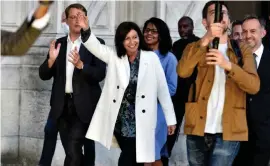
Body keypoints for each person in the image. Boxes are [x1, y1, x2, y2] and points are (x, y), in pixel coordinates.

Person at [77, 14, 177, 165]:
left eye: (135, 37)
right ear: (121, 42)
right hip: (120, 121)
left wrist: (171, 120)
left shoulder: (151, 58)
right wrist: (86, 29)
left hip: (142, 121)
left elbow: (163, 90)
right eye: (127, 38)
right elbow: (96, 48)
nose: (132, 42)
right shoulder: (115, 57)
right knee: (134, 158)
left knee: (127, 160)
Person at [177, 1, 260, 165]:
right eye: (214, 12)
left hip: (228, 130)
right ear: (204, 22)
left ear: (228, 21)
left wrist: (227, 65)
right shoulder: (194, 47)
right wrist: (207, 38)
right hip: (198, 128)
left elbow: (253, 86)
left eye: (224, 12)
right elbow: (183, 71)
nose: (220, 15)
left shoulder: (242, 49)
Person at [39, 3, 106, 166]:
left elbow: (100, 74)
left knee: (82, 146)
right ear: (66, 20)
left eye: (81, 16)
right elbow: (43, 75)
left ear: (86, 20)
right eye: (73, 17)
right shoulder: (58, 45)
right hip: (62, 104)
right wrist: (51, 61)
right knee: (71, 149)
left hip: (84, 104)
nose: (77, 20)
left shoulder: (96, 43)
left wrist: (82, 66)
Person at [233, 15, 270, 166]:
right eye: (244, 32)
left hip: (266, 134)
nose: (248, 35)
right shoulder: (234, 60)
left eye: (253, 31)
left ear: (263, 33)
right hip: (237, 134)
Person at [142, 17, 178, 166]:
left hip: (158, 113)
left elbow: (172, 88)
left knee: (153, 154)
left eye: (154, 31)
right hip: (138, 112)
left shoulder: (169, 58)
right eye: (147, 30)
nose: (149, 34)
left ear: (161, 35)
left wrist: (149, 91)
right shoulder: (139, 55)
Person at [168, 16, 200, 165]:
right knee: (172, 128)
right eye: (180, 27)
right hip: (179, 94)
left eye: (185, 26)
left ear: (192, 27)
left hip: (196, 94)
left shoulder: (200, 43)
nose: (182, 30)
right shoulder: (177, 44)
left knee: (195, 132)